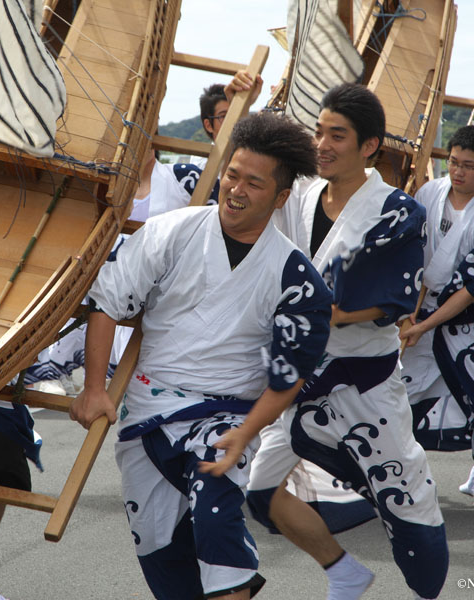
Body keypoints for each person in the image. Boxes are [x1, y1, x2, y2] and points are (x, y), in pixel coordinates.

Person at [70, 111, 332, 600]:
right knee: (162, 558)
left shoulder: (297, 278)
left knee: (216, 514)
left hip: (228, 419)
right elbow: (108, 300)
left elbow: (287, 379)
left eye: (254, 183)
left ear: (279, 198)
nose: (235, 189)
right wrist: (93, 389)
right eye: (232, 174)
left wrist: (246, 433)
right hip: (146, 412)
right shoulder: (172, 232)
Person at [231, 78, 448, 600]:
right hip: (301, 380)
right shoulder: (300, 194)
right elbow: (251, 193)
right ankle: (343, 570)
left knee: (406, 509)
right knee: (260, 493)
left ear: (369, 145)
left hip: (364, 386)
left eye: (338, 135)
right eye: (319, 132)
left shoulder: (397, 211)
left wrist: (330, 312)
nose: (322, 145)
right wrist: (250, 104)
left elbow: (391, 301)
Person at [400, 125, 474, 515]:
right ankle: (397, 479)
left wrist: (423, 325)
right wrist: (409, 315)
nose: (458, 172)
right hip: (421, 311)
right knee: (398, 400)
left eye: (469, 166)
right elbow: (414, 255)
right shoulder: (429, 193)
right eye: (452, 162)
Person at [190, 83, 230, 168]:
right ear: (208, 125)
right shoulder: (200, 163)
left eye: (235, 114)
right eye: (223, 116)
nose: (232, 120)